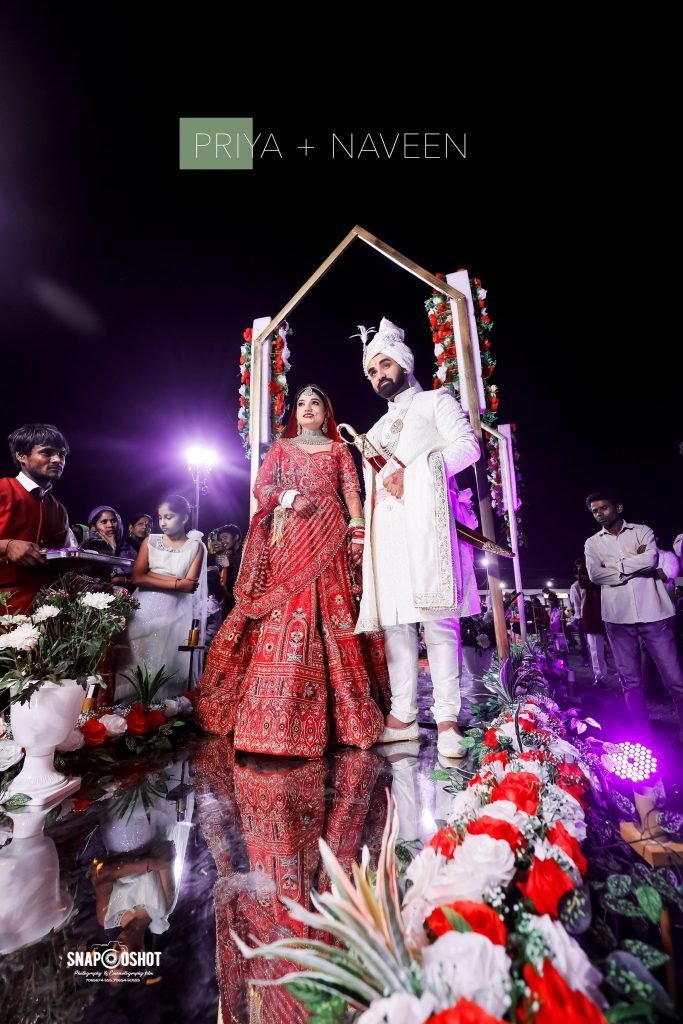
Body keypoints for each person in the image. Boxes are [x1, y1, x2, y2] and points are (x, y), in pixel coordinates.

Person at [194, 384, 389, 758]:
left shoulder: (338, 450)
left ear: (326, 412)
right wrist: (287, 496)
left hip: (330, 537)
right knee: (286, 608)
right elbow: (261, 485)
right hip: (290, 542)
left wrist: (358, 531)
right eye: (301, 403)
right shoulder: (282, 449)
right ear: (295, 412)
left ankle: (343, 718)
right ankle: (273, 711)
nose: (308, 408)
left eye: (315, 403)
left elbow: (351, 492)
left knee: (334, 612)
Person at [354, 318, 481, 758]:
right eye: (372, 371)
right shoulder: (373, 432)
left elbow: (468, 447)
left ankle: (447, 720)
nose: (379, 376)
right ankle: (403, 716)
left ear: (404, 363)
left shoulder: (434, 401)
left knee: (438, 621)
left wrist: (416, 473)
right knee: (396, 625)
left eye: (384, 365)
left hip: (429, 530)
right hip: (388, 536)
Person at [584, 490, 683, 739]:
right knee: (630, 682)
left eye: (604, 508)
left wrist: (615, 568)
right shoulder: (592, 543)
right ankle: (642, 734)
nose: (599, 514)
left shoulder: (642, 531)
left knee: (674, 680)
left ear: (618, 507)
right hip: (617, 618)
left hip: (654, 614)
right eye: (594, 511)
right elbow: (595, 575)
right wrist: (633, 566)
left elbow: (651, 560)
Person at [116, 495, 207, 702]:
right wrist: (176, 583)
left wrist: (153, 576)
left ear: (184, 518)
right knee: (136, 662)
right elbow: (138, 577)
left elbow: (190, 585)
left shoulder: (196, 547)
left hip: (175, 613)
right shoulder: (150, 541)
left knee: (166, 666)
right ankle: (130, 713)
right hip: (143, 610)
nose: (163, 522)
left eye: (169, 517)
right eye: (160, 517)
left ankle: (161, 713)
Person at [0, 423, 71, 614]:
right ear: (21, 456)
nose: (58, 459)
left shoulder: (60, 510)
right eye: (47, 452)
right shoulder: (3, 489)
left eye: (62, 454)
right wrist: (6, 545)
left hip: (47, 615)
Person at [81, 505, 139, 586]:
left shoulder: (128, 548)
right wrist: (111, 549)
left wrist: (124, 580)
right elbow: (88, 579)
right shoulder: (87, 548)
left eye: (113, 520)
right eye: (104, 522)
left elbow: (141, 578)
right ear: (94, 527)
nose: (110, 525)